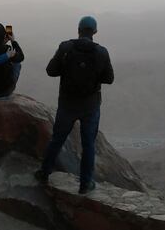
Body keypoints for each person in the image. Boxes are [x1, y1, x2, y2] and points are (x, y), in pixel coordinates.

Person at [34, 16, 114, 194]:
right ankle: (85, 184)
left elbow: (50, 71)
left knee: (57, 140)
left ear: (78, 29)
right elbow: (109, 78)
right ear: (94, 32)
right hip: (90, 105)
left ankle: (44, 172)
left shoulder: (66, 47)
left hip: (67, 103)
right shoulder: (102, 52)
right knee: (88, 146)